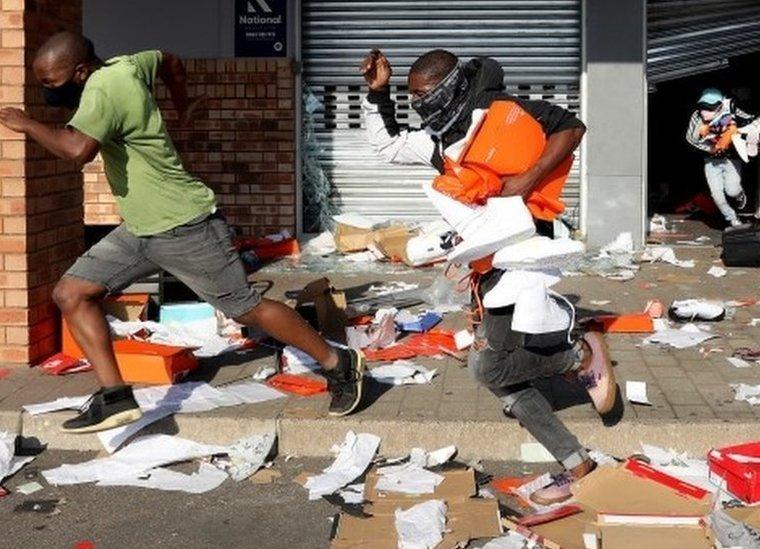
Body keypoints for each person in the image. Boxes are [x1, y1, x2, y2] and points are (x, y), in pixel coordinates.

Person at [0, 32, 365, 433]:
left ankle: (339, 363)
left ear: (81, 71)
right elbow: (168, 58)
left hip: (185, 226)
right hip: (142, 229)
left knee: (245, 308)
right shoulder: (128, 64)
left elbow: (75, 150)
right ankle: (114, 396)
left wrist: (26, 123)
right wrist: (182, 103)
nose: (47, 91)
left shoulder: (104, 87)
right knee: (70, 293)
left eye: (52, 83)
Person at [360, 49, 616, 504]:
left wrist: (527, 179)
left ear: (450, 86)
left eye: (424, 95)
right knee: (502, 376)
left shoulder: (503, 113)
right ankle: (578, 464)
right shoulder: (437, 139)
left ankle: (577, 355)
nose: (418, 104)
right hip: (485, 258)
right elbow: (387, 144)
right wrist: (378, 93)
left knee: (490, 366)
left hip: (525, 253)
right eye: (412, 96)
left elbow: (571, 127)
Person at [686, 88, 753, 227]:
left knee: (732, 189)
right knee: (717, 195)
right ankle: (732, 218)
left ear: (719, 106)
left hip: (731, 158)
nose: (704, 111)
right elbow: (690, 138)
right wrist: (710, 149)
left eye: (709, 108)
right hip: (711, 160)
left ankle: (740, 195)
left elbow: (749, 118)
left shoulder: (731, 109)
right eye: (702, 107)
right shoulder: (697, 116)